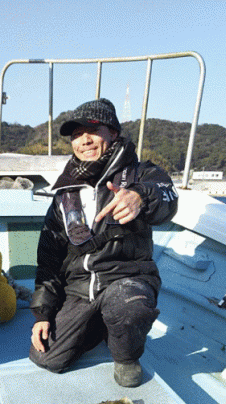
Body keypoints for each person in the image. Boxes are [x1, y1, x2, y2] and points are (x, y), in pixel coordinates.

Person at [29, 98, 178, 387]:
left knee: (127, 306)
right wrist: (43, 314)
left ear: (113, 133)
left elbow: (167, 198)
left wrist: (140, 197)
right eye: (76, 134)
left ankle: (127, 357)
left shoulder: (142, 174)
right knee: (46, 359)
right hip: (80, 288)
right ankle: (99, 325)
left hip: (128, 280)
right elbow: (49, 258)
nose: (83, 140)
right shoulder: (64, 191)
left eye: (92, 131)